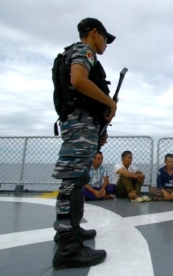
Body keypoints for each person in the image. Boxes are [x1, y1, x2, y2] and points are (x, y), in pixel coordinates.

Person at [51, 18, 116, 269]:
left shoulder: (76, 52)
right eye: (105, 38)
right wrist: (111, 104)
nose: (106, 44)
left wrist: (98, 128)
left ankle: (72, 230)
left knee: (77, 180)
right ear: (93, 33)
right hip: (79, 125)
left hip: (82, 124)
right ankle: (68, 248)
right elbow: (79, 80)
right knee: (72, 182)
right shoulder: (83, 50)